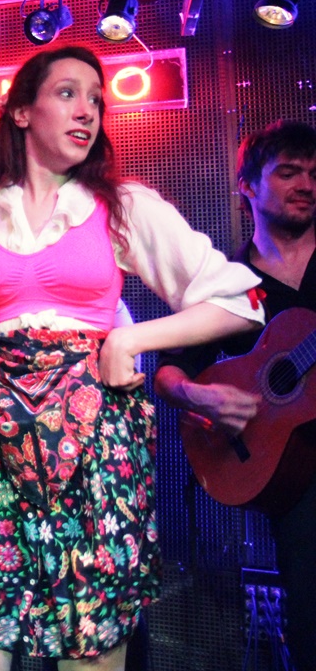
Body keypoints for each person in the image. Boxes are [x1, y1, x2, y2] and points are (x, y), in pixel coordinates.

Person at [0, 45, 264, 670]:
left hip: (93, 438)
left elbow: (238, 301)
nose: (88, 110)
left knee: (91, 641)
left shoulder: (121, 205)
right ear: (22, 111)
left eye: (97, 99)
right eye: (68, 93)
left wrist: (129, 340)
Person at [154, 120, 316, 670]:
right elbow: (170, 371)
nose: (306, 185)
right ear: (247, 185)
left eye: (314, 173)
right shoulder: (230, 283)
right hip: (297, 484)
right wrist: (201, 399)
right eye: (289, 172)